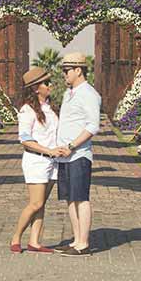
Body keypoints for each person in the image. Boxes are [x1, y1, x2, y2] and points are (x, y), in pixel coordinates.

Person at [53, 52, 101, 257]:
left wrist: (72, 145)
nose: (64, 74)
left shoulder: (89, 94)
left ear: (78, 70)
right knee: (70, 199)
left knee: (81, 198)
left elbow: (93, 126)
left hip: (79, 154)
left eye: (66, 71)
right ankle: (76, 239)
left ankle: (84, 243)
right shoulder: (69, 93)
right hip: (65, 155)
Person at [10, 66, 60, 253]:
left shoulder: (50, 107)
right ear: (35, 88)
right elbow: (25, 139)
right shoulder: (27, 110)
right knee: (35, 203)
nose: (50, 85)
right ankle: (16, 237)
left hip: (52, 162)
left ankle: (34, 242)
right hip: (36, 160)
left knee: (41, 204)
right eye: (46, 83)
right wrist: (49, 150)